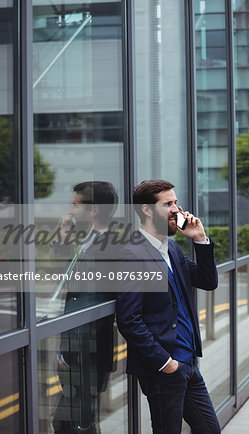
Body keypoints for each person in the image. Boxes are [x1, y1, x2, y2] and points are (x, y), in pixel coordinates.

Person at [116, 180, 221, 434]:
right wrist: (165, 363)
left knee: (209, 430)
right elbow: (129, 320)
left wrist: (200, 239)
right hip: (164, 368)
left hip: (189, 362)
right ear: (147, 210)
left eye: (175, 202)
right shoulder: (132, 253)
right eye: (168, 204)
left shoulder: (172, 248)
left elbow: (207, 281)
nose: (177, 209)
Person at [52, 181, 119, 434]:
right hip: (80, 350)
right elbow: (68, 277)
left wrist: (69, 351)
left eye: (75, 204)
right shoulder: (91, 238)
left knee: (72, 422)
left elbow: (92, 301)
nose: (70, 209)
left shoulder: (110, 245)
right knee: (78, 421)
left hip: (86, 352)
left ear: (93, 210)